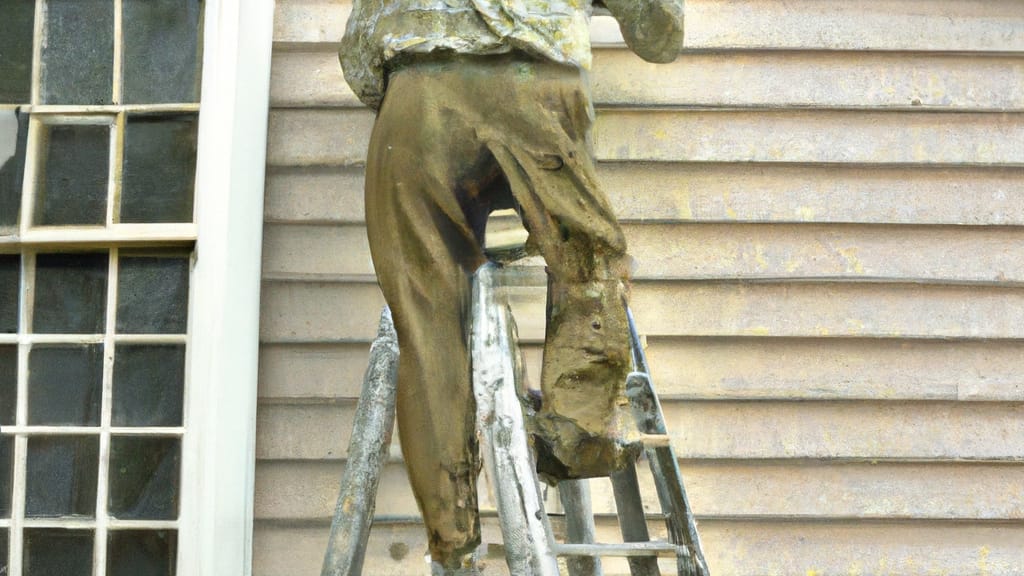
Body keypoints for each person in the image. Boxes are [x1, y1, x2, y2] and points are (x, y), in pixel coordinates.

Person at [339, 0, 683, 572]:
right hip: (537, 89)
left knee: (426, 329)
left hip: (417, 99)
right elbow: (660, 34)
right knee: (586, 267)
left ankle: (453, 545)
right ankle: (576, 435)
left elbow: (358, 63)